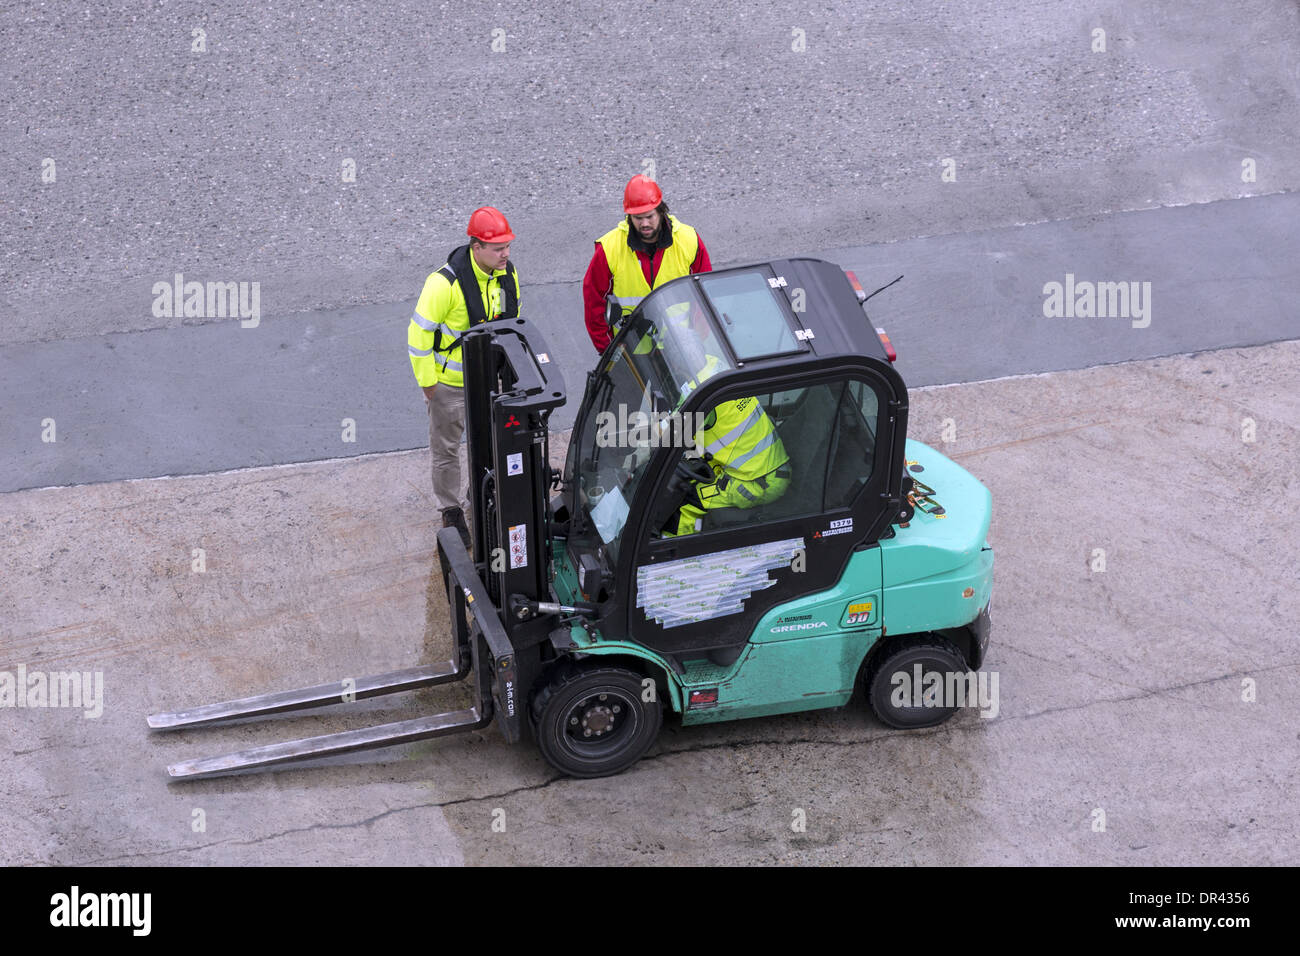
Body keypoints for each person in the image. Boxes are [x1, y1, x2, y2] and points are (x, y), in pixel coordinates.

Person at [408, 207, 519, 546]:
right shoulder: (444, 284)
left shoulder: (506, 274)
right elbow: (418, 337)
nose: (506, 254)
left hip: (488, 381)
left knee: (488, 441)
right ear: (476, 247)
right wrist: (430, 384)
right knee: (446, 449)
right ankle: (451, 508)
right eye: (498, 248)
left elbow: (511, 323)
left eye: (507, 246)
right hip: (450, 387)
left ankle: (481, 488)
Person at [582, 175, 712, 354]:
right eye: (637, 218)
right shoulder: (610, 249)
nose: (644, 224)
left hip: (683, 350)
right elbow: (594, 304)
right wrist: (608, 352)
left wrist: (698, 340)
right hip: (632, 354)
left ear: (660, 211)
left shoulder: (689, 241)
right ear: (629, 216)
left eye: (649, 216)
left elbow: (705, 294)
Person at [665, 362, 791, 537]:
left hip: (757, 481)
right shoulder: (716, 364)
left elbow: (669, 435)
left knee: (689, 500)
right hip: (763, 467)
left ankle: (673, 551)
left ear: (676, 367)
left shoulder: (699, 392)